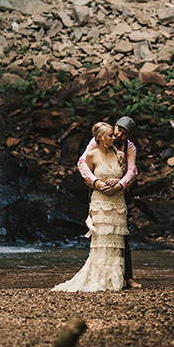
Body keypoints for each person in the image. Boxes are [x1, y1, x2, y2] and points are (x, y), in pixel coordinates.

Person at [52, 122, 129, 292]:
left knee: (116, 242)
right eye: (110, 135)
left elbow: (127, 178)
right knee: (101, 241)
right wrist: (99, 184)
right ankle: (99, 278)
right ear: (101, 138)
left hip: (117, 202)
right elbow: (87, 180)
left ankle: (114, 279)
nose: (114, 137)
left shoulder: (121, 155)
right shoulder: (91, 156)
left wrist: (117, 183)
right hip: (100, 202)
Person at [77, 116, 141, 289]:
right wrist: (96, 182)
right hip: (99, 189)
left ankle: (127, 277)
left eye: (123, 133)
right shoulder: (97, 140)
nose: (118, 134)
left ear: (128, 134)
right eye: (117, 129)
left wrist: (120, 184)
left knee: (122, 234)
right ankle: (99, 273)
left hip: (121, 192)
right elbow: (83, 163)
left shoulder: (129, 147)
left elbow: (132, 170)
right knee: (99, 232)